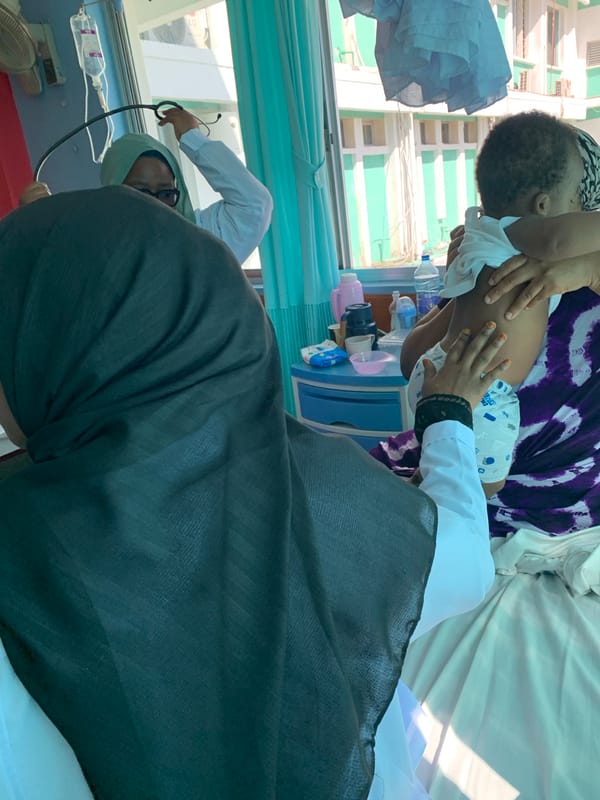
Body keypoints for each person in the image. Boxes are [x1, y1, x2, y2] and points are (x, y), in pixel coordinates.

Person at [0, 186, 507, 799]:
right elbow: (463, 562)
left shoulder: (23, 555)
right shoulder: (326, 489)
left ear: (42, 351)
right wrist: (447, 414)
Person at [371, 125, 600, 799]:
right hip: (491, 466)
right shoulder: (518, 251)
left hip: (469, 441)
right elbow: (419, 358)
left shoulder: (498, 244)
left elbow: (413, 360)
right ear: (549, 202)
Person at [407, 111, 600, 498]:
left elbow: (412, 360)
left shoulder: (486, 232)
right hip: (479, 390)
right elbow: (559, 241)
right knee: (479, 490)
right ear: (546, 206)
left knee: (457, 484)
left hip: (447, 381)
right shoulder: (513, 237)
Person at [18, 106, 273, 265]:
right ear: (112, 193)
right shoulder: (94, 251)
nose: (155, 205)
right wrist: (40, 221)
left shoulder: (202, 242)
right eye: (139, 192)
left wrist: (193, 139)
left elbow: (255, 205)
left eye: (166, 193)